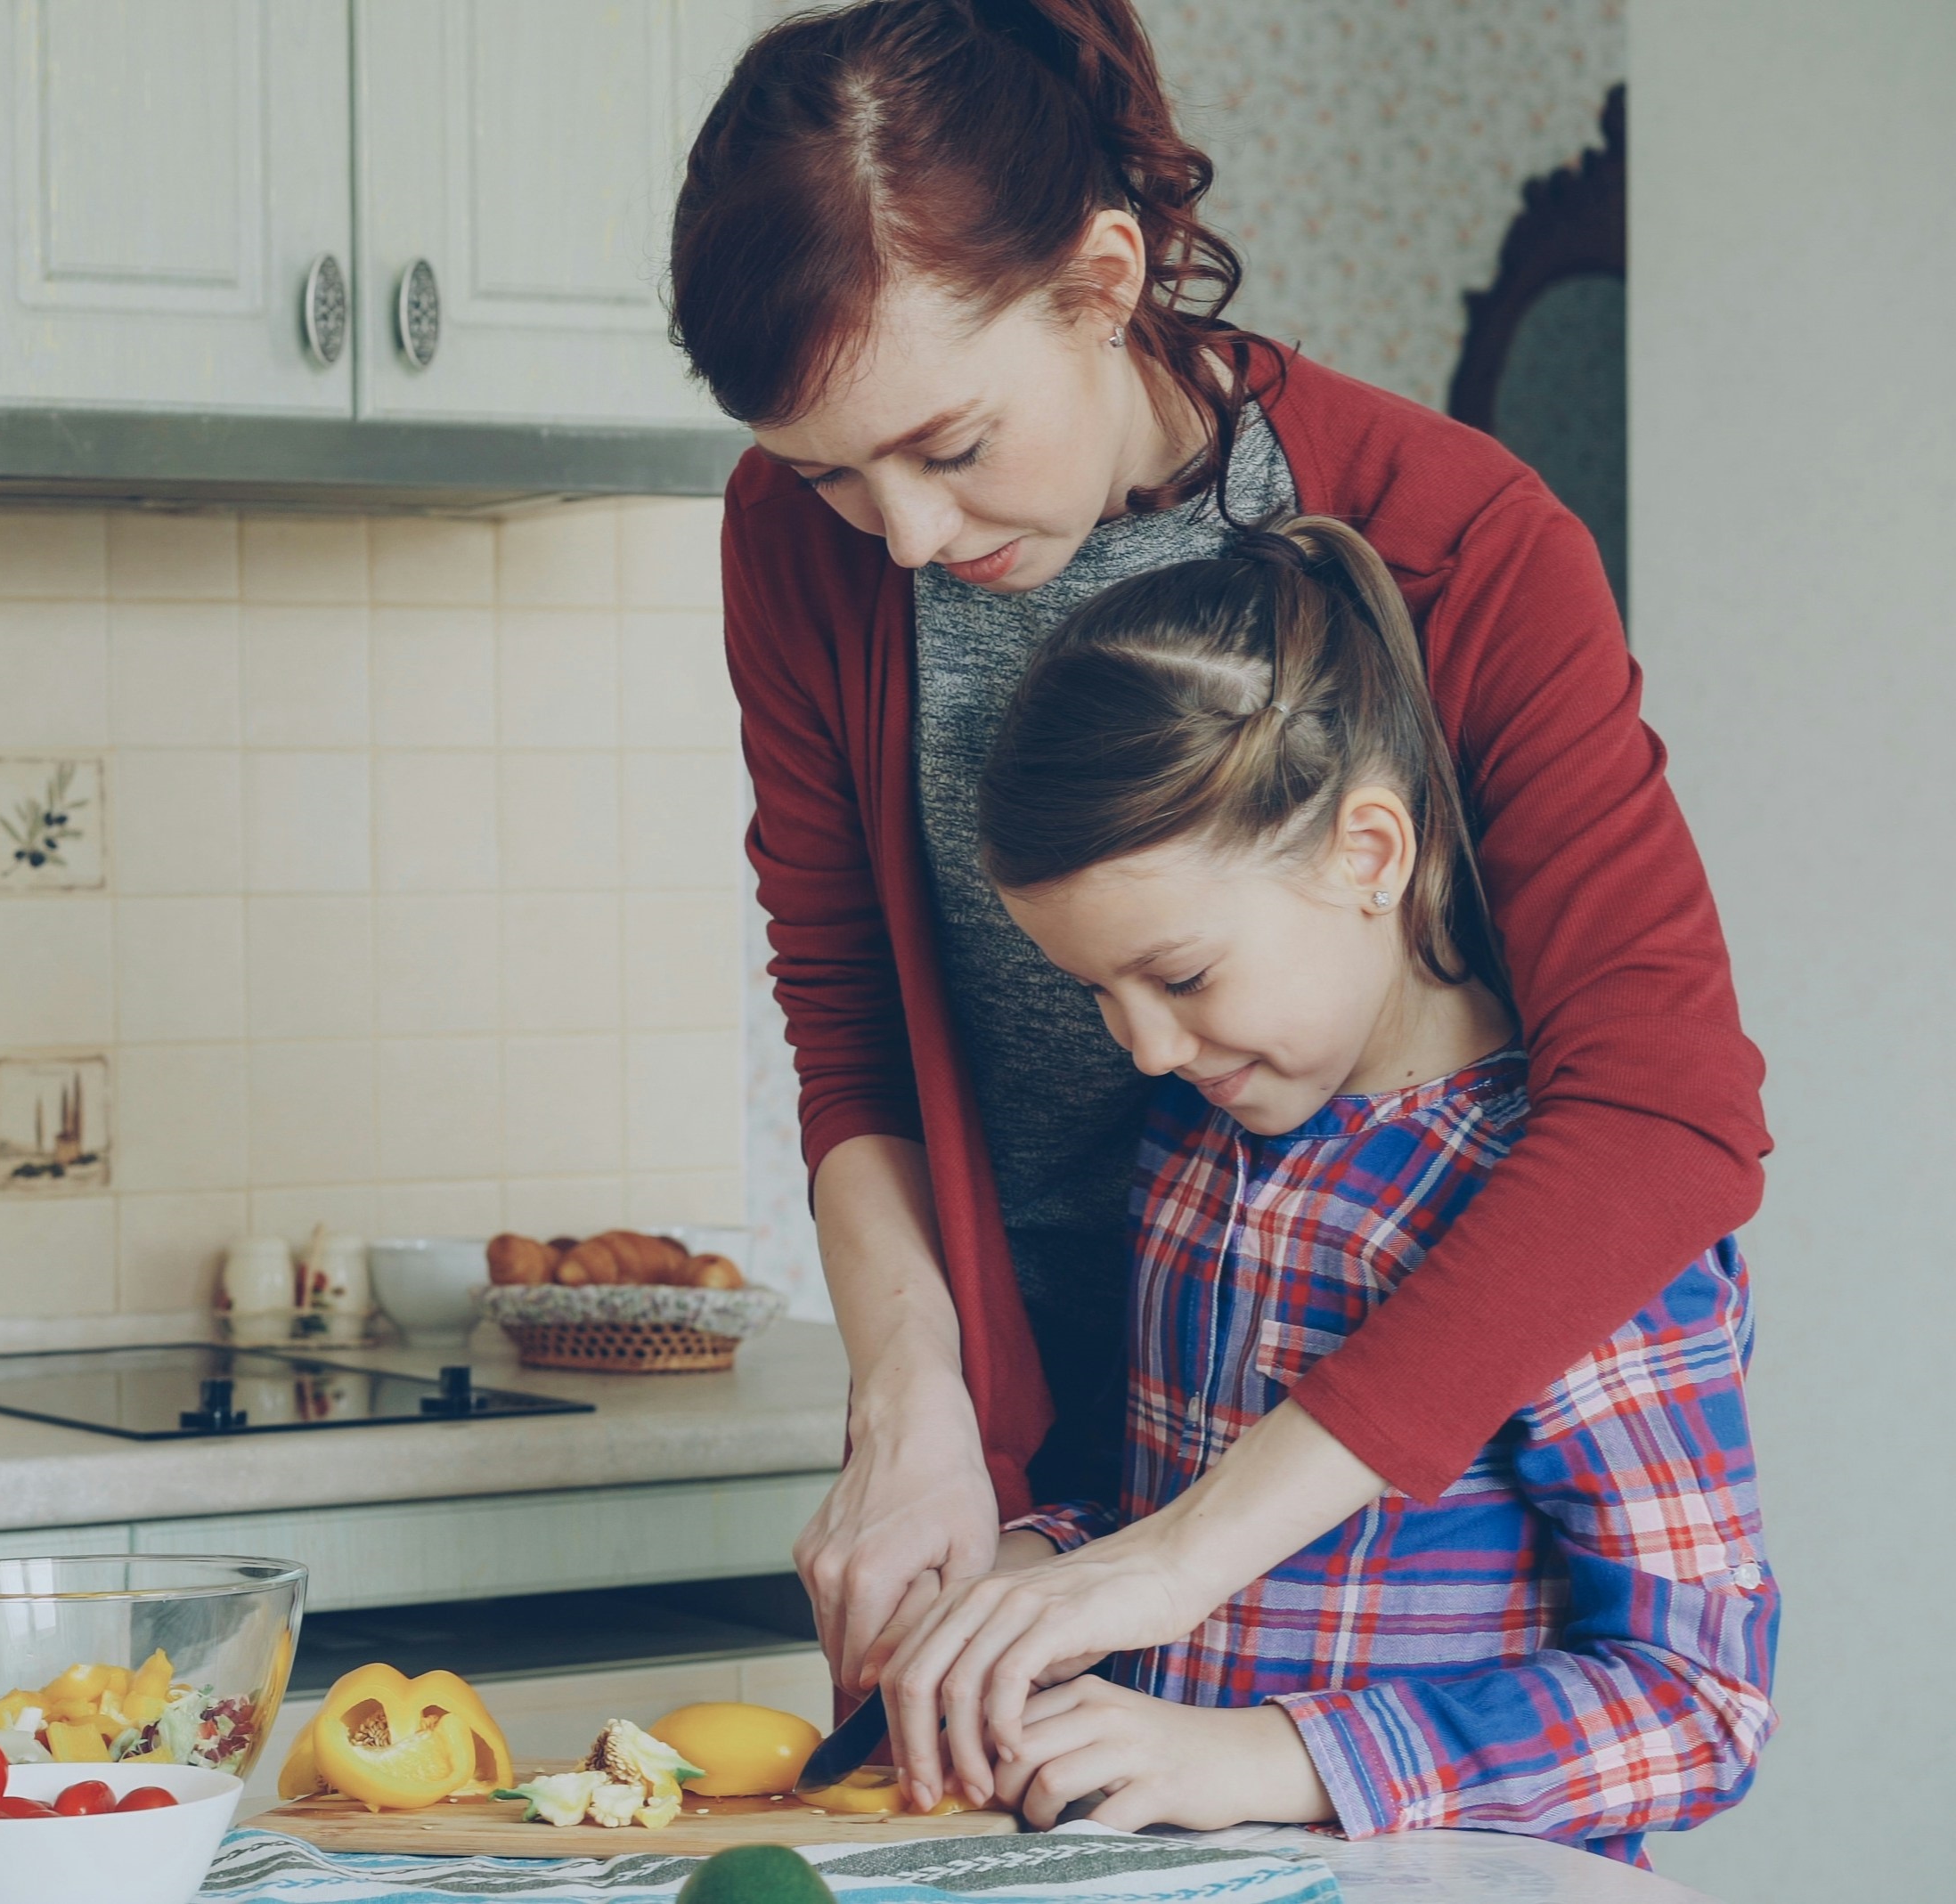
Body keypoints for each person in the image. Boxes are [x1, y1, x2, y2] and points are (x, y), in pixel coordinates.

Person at [664, 0, 1769, 1807]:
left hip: (1373, 1500)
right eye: (827, 474)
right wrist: (915, 1406)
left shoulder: (1455, 537)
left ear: (1104, 281)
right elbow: (845, 1010)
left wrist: (1187, 1552)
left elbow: (1663, 1114)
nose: (904, 537)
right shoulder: (802, 546)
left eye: (948, 446)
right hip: (1070, 1478)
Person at [945, 515, 1774, 1859]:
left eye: (1182, 977)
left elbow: (1699, 1702)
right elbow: (1162, 1504)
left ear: (1369, 854)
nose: (1147, 1046)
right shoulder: (1199, 1142)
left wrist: (1269, 1756)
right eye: (1095, 992)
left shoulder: (1573, 1219)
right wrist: (1030, 1571)